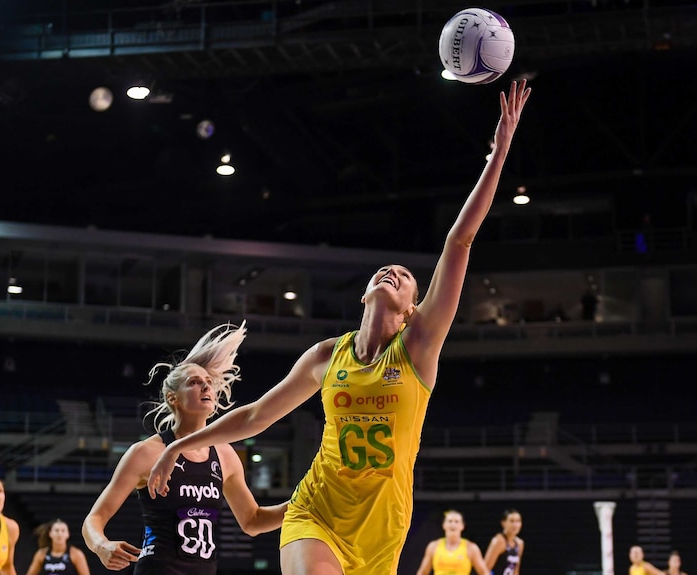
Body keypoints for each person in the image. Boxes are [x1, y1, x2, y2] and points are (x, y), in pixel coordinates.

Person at [147, 78, 532, 575]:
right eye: (384, 270)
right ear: (363, 294)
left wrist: (497, 155)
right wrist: (180, 444)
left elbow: (459, 242)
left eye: (406, 276)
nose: (393, 271)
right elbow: (257, 415)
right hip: (316, 512)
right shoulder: (328, 356)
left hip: (382, 530)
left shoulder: (417, 348)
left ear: (414, 309)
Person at [82, 322, 288, 574]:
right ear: (173, 398)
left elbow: (252, 521)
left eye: (208, 383)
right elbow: (94, 518)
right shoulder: (146, 452)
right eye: (194, 382)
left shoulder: (225, 455)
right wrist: (101, 545)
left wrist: (302, 504)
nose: (206, 387)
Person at [414, 509, 488, 575]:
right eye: (450, 521)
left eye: (456, 522)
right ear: (444, 525)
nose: (453, 525)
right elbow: (423, 572)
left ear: (462, 526)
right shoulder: (433, 546)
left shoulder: (471, 548)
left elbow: (484, 572)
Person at [26, 519, 90, 575]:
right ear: (50, 533)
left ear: (68, 534)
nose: (60, 534)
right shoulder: (41, 554)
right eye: (56, 530)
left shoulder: (76, 554)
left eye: (63, 531)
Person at [483, 508, 524, 575]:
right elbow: (485, 570)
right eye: (511, 521)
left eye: (518, 521)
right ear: (503, 523)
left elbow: (516, 570)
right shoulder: (498, 541)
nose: (515, 525)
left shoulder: (520, 543)